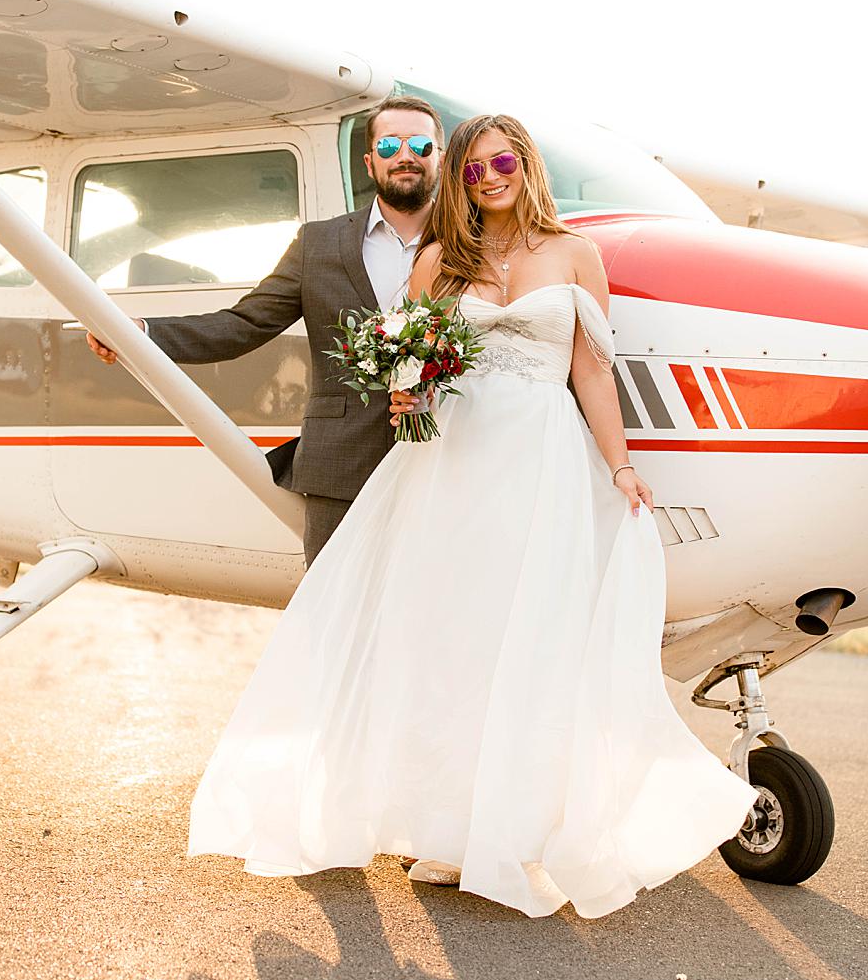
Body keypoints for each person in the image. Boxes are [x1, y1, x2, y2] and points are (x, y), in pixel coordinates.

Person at [185, 112, 758, 919]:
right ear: (458, 182)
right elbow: (408, 364)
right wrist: (404, 387)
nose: (488, 178)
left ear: (523, 165)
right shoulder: (437, 264)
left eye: (501, 163)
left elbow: (591, 372)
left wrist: (620, 465)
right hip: (449, 463)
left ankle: (513, 829)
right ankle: (446, 831)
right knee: (447, 640)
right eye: (472, 170)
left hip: (540, 464)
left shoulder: (575, 255)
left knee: (527, 640)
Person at [86, 95, 443, 565]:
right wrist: (141, 333)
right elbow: (243, 324)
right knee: (333, 616)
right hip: (340, 463)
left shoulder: (471, 241)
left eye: (420, 144)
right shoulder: (319, 243)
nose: (405, 156)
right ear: (369, 160)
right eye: (389, 144)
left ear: (440, 155)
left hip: (448, 458)